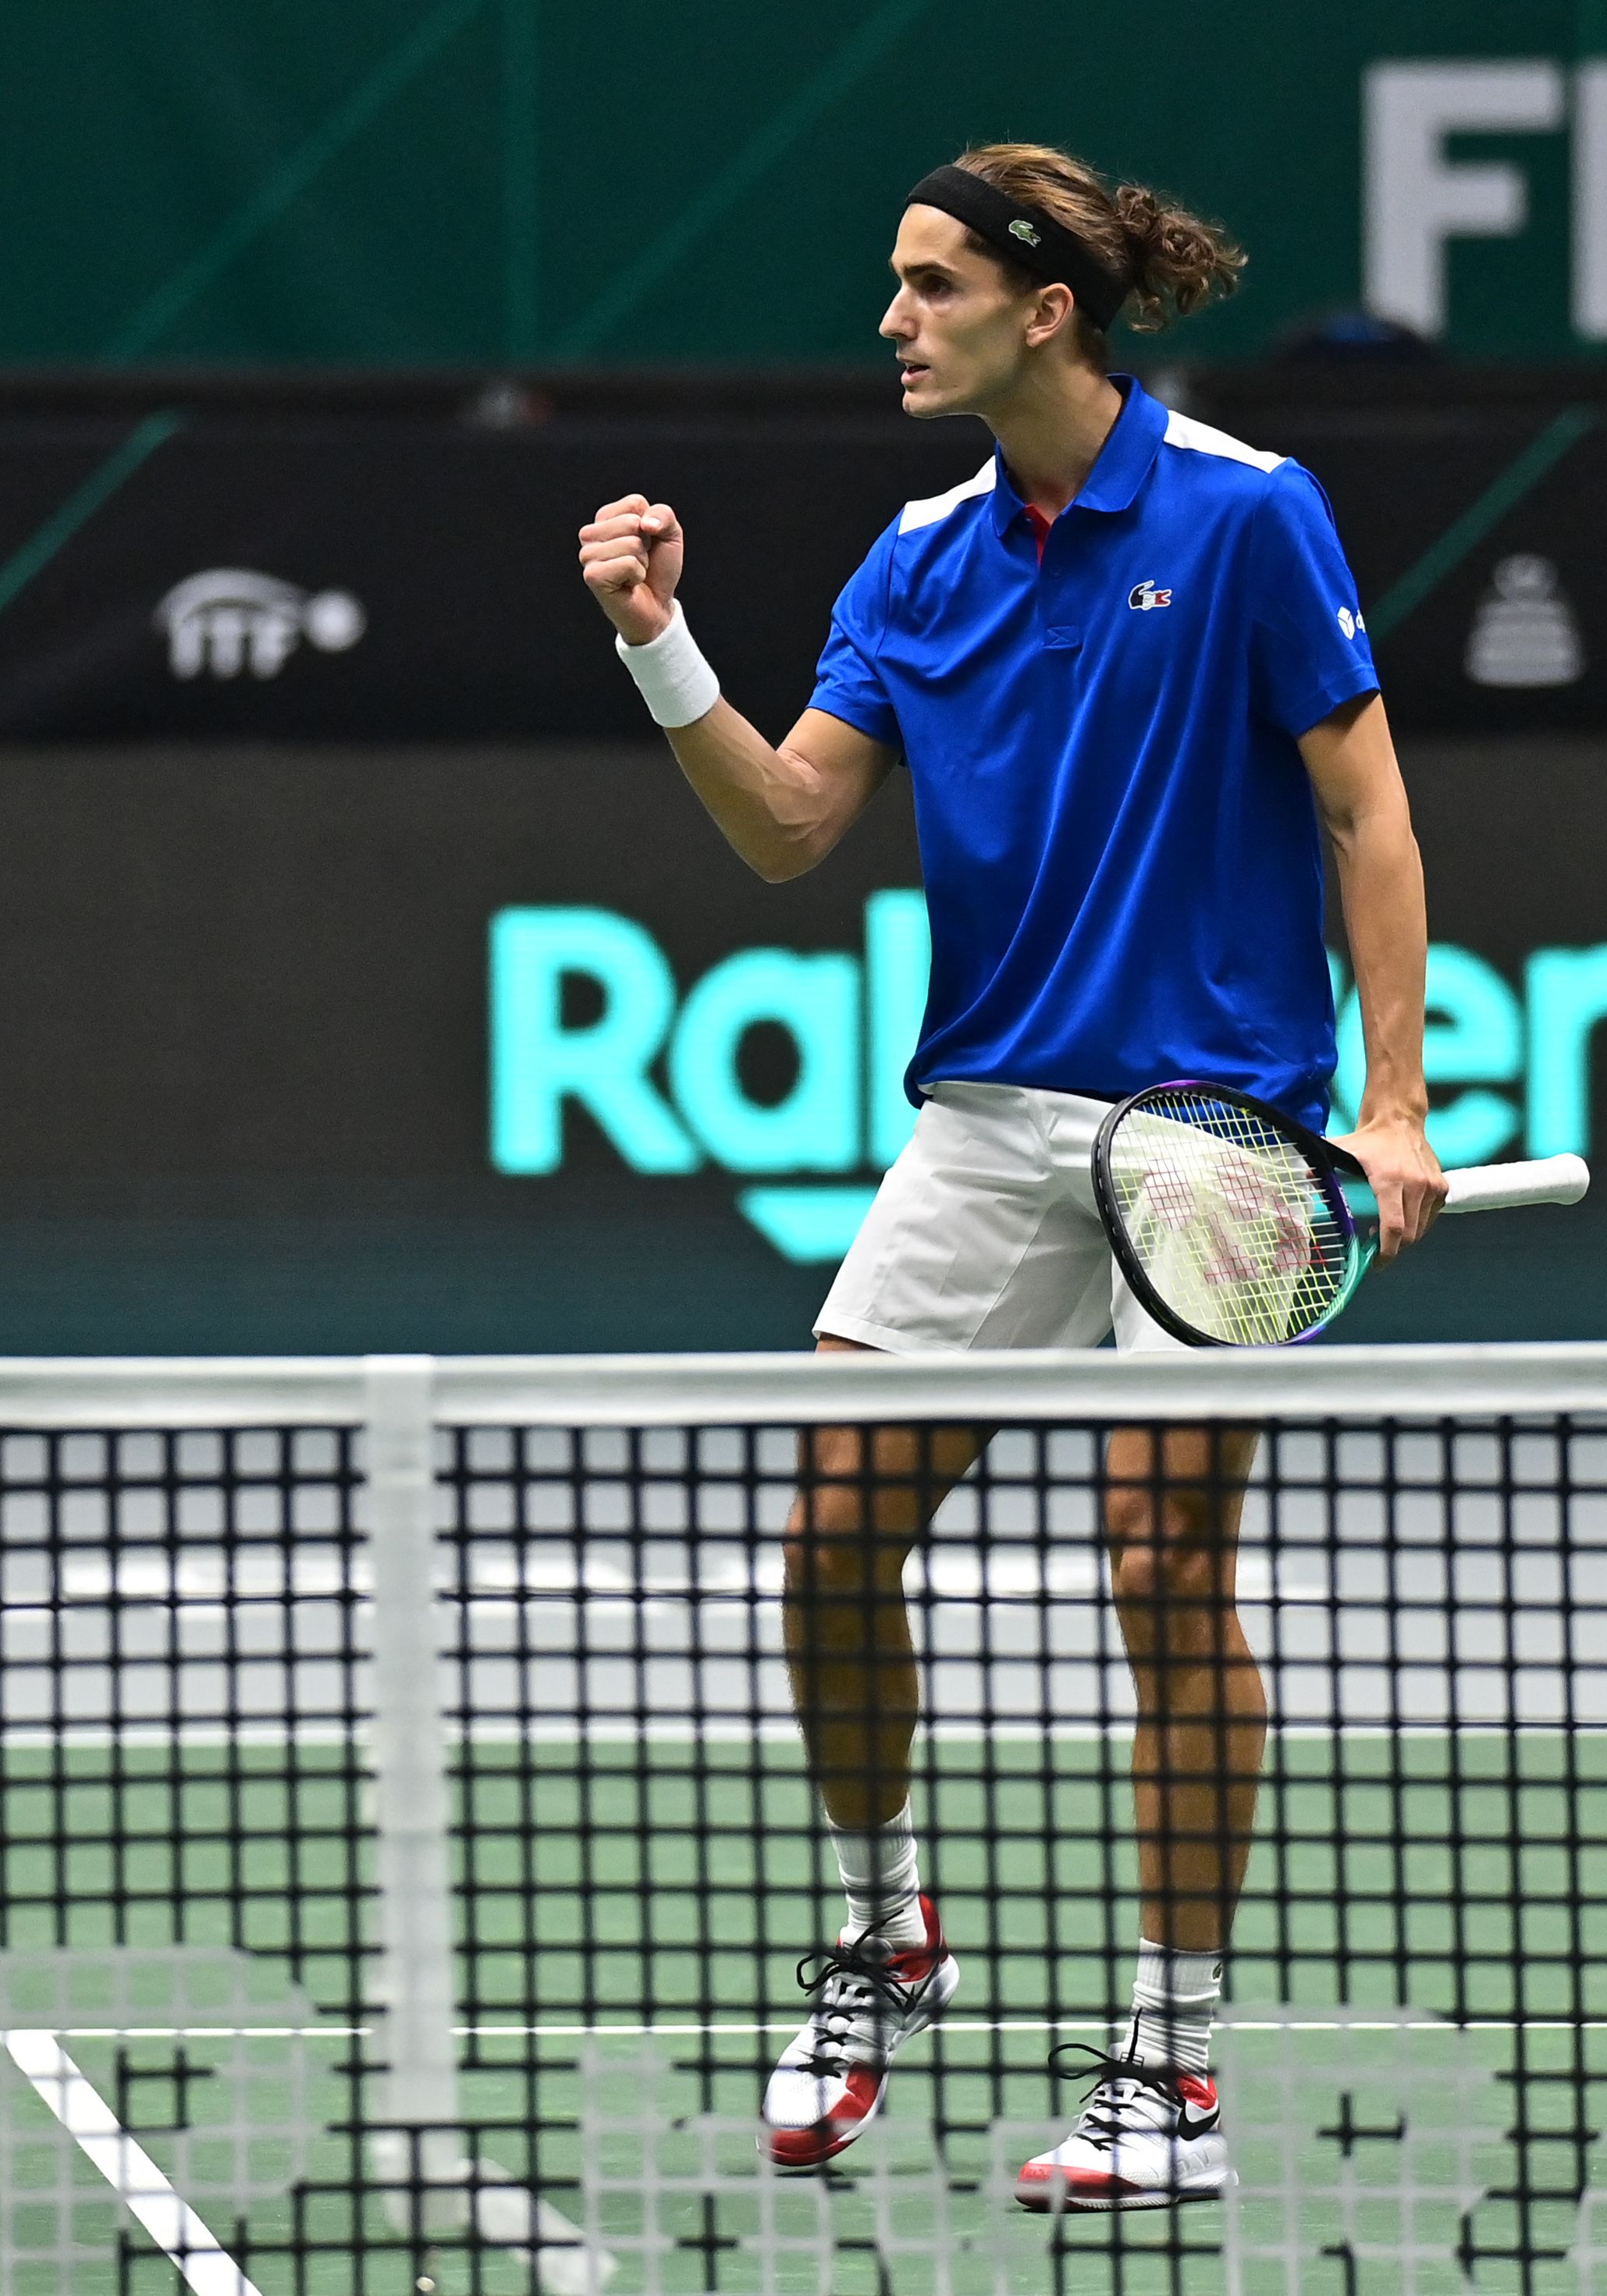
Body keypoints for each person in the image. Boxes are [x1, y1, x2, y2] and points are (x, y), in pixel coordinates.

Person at [575, 144, 1444, 2212]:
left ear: (1043, 309)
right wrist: (658, 646)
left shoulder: (1245, 510)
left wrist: (1389, 1105)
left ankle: (1171, 2076)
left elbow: (1368, 804)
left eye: (929, 284)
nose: (893, 317)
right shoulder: (914, 561)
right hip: (990, 1115)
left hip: (1216, 1131)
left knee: (1161, 1569)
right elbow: (790, 823)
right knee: (830, 1529)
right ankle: (884, 1934)